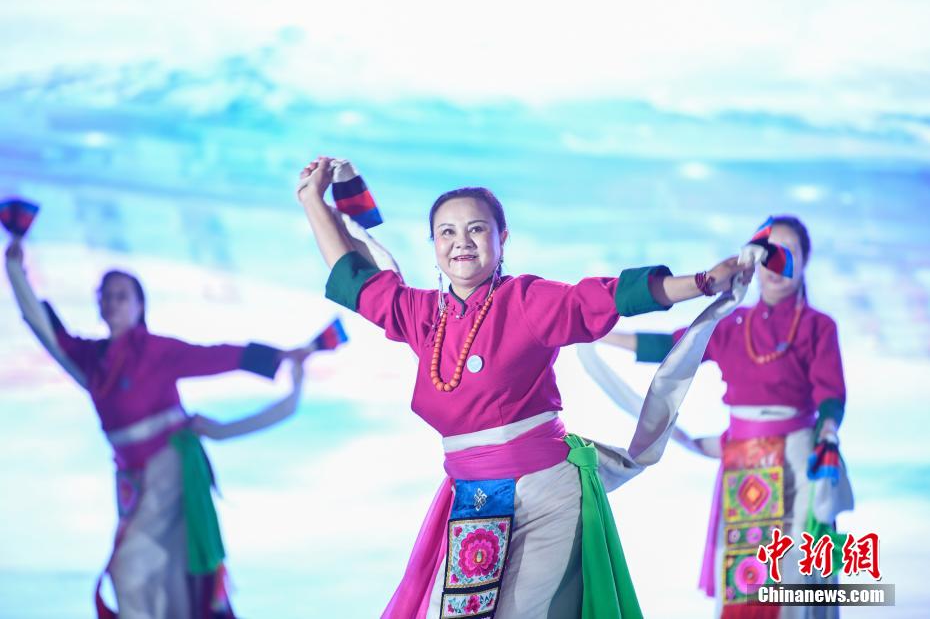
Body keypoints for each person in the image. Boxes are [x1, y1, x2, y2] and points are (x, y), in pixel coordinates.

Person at [296, 155, 752, 618]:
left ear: (503, 238)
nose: (461, 242)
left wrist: (702, 282)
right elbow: (355, 280)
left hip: (544, 492)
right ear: (433, 245)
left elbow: (606, 296)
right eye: (447, 232)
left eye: (476, 229)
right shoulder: (423, 314)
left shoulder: (527, 300)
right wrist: (313, 199)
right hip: (473, 495)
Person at [5, 237, 309, 619]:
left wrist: (279, 356)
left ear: (140, 305)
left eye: (122, 296)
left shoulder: (153, 350)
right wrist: (16, 271)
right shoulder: (91, 359)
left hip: (172, 471)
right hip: (132, 479)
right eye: (106, 296)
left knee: (138, 570)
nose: (112, 302)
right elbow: (48, 332)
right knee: (158, 574)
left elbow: (214, 356)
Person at [599, 216, 852, 618]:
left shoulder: (819, 326)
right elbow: (673, 347)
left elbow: (831, 396)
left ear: (805, 261)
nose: (775, 265)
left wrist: (829, 435)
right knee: (746, 575)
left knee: (793, 581)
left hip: (798, 462)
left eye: (788, 253)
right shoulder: (733, 323)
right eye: (768, 253)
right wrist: (597, 333)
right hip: (743, 464)